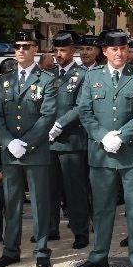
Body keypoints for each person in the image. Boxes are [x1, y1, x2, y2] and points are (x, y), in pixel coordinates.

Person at [75, 29, 133, 267]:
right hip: (102, 153)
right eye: (114, 49)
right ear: (105, 52)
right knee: (101, 207)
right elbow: (84, 111)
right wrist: (103, 136)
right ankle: (99, 255)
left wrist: (121, 136)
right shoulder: (92, 76)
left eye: (123, 49)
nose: (119, 53)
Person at [0, 30, 57, 267]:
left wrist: (25, 143)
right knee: (12, 204)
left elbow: (47, 116)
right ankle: (10, 250)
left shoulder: (47, 79)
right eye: (18, 46)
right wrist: (9, 142)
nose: (21, 50)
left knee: (39, 204)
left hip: (35, 152)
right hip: (11, 153)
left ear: (35, 49)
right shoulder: (4, 80)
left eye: (26, 46)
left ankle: (41, 251)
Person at [47, 31, 91, 248]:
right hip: (49, 141)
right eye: (55, 50)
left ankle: (80, 231)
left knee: (74, 190)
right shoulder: (49, 74)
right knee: (50, 189)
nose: (58, 54)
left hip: (72, 141)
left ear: (72, 51)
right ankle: (50, 229)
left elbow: (81, 106)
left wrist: (60, 124)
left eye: (63, 50)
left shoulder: (83, 75)